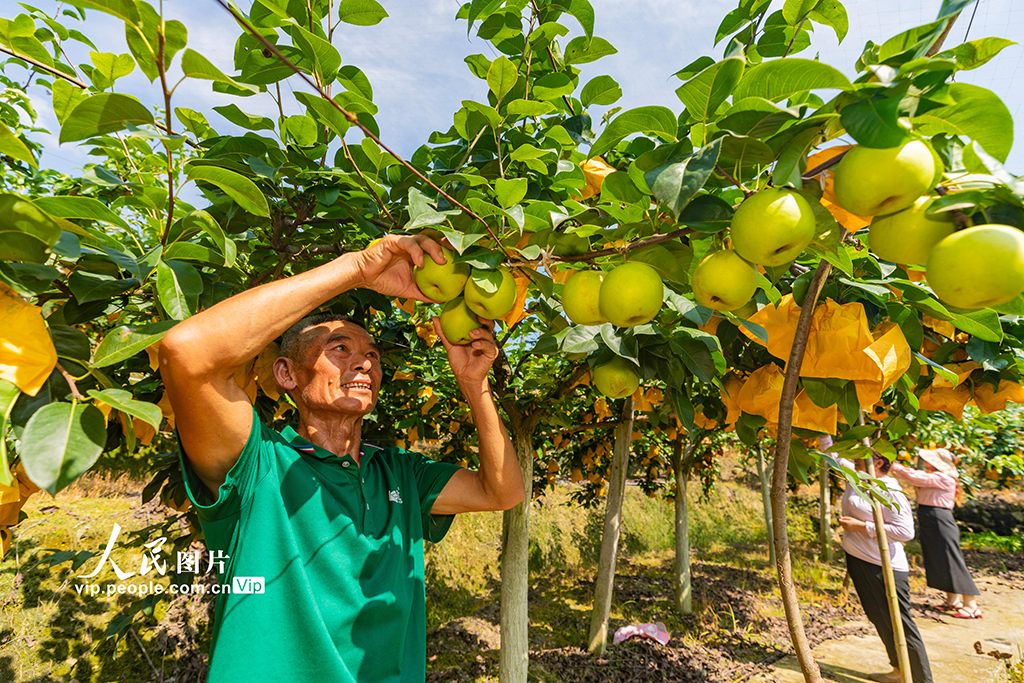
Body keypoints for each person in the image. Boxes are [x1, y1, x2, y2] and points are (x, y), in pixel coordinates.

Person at [160, 234, 526, 683]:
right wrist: (356, 270)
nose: (365, 364)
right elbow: (186, 351)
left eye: (372, 355)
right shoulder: (259, 466)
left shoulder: (399, 473)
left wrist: (474, 384)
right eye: (340, 350)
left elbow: (503, 491)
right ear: (286, 373)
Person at [838, 452, 933, 683]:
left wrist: (862, 526)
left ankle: (921, 680)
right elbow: (832, 455)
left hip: (884, 566)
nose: (854, 459)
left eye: (859, 456)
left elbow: (905, 532)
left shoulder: (890, 489)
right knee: (878, 617)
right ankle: (900, 670)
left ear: (879, 463)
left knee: (900, 623)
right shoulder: (857, 477)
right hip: (858, 559)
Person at [891, 447, 981, 618]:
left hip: (940, 519)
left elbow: (913, 477)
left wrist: (893, 465)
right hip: (931, 518)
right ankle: (953, 600)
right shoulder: (935, 476)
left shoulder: (943, 478)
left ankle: (972, 606)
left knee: (951, 560)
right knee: (939, 559)